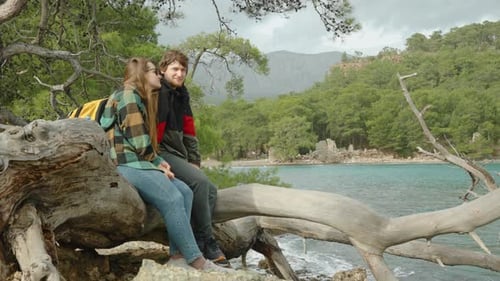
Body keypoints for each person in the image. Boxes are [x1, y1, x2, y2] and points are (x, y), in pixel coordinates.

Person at [99, 57, 231, 272]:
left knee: (186, 192)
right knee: (173, 197)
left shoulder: (140, 96)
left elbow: (154, 141)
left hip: (140, 162)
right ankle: (197, 260)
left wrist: (160, 163)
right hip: (126, 164)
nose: (157, 76)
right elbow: (140, 140)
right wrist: (159, 162)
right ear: (142, 74)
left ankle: (177, 257)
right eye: (153, 72)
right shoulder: (128, 94)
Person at [156, 49, 230, 267]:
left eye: (183, 70)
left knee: (211, 190)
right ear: (163, 70)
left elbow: (189, 131)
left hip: (178, 153)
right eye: (175, 69)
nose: (179, 74)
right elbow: (154, 131)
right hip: (161, 152)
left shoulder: (182, 94)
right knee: (200, 182)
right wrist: (154, 160)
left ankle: (197, 239)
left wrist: (195, 161)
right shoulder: (159, 92)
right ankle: (208, 241)